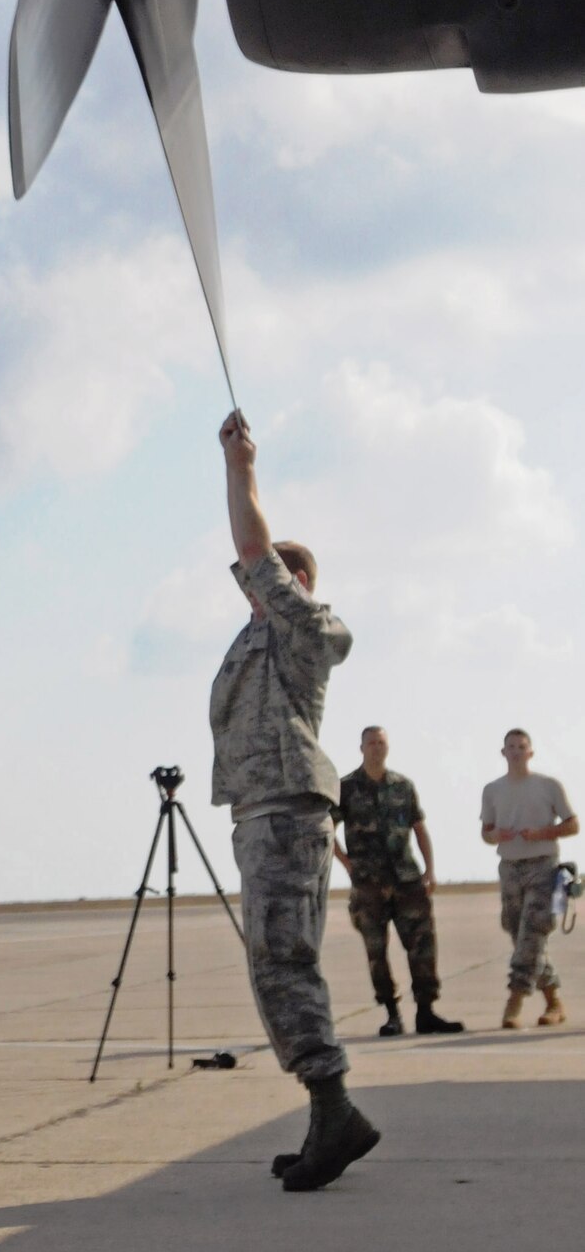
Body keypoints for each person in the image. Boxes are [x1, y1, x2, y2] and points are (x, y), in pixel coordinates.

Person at [212, 412, 378, 1193]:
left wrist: (240, 468)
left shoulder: (309, 630)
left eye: (272, 577)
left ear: (295, 584)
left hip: (286, 809)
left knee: (284, 962)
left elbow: (255, 557)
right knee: (275, 966)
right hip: (261, 813)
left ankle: (334, 1106)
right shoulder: (251, 643)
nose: (253, 584)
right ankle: (325, 1116)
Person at [334, 727, 463, 1037]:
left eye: (382, 743)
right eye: (371, 743)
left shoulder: (403, 786)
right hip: (369, 885)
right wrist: (348, 865)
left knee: (422, 946)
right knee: (376, 952)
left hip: (407, 880)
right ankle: (391, 1014)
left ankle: (426, 1011)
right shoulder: (346, 788)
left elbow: (419, 829)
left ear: (387, 747)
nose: (377, 748)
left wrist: (429, 871)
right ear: (361, 747)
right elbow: (328, 830)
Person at [481, 728, 578, 1029]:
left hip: (543, 866)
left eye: (522, 747)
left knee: (533, 932)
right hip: (509, 866)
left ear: (530, 752)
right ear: (503, 752)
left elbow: (573, 824)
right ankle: (553, 1000)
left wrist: (543, 833)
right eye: (511, 747)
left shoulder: (548, 786)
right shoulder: (493, 789)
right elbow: (486, 831)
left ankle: (515, 998)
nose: (516, 752)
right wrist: (494, 835)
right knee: (518, 933)